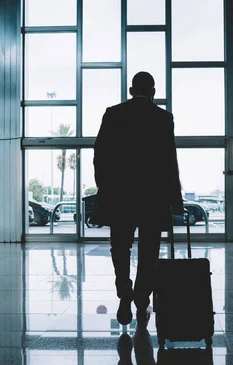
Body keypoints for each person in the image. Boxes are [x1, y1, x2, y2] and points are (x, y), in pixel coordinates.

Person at [94, 71, 183, 327]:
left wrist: (105, 188)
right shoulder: (163, 118)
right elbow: (169, 162)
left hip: (120, 197)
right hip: (152, 199)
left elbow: (99, 155)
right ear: (153, 92)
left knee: (120, 247)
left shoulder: (113, 114)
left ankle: (124, 289)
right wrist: (174, 199)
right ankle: (142, 299)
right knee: (148, 252)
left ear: (131, 91)